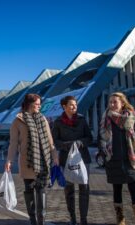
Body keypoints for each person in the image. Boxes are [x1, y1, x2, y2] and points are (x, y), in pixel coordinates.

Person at [5, 93, 59, 225]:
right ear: (29, 104)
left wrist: (54, 156)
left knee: (42, 190)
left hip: (43, 161)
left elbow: (49, 139)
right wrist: (9, 160)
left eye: (40, 104)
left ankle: (41, 221)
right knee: (29, 190)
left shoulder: (43, 119)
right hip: (27, 162)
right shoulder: (18, 120)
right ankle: (33, 220)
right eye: (37, 104)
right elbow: (13, 143)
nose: (40, 106)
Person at [98, 92, 135, 225]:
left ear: (122, 103)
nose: (111, 104)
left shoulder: (131, 118)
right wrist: (104, 156)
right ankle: (120, 220)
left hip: (131, 161)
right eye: (110, 102)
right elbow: (101, 140)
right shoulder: (106, 118)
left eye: (115, 102)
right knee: (117, 191)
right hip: (113, 162)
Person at [52, 95, 93, 225]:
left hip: (83, 159)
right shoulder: (58, 122)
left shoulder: (82, 119)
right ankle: (73, 218)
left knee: (84, 189)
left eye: (75, 104)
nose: (74, 106)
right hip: (66, 159)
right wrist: (66, 145)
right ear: (64, 106)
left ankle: (84, 220)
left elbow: (89, 137)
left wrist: (80, 143)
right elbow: (54, 141)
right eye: (71, 104)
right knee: (69, 190)